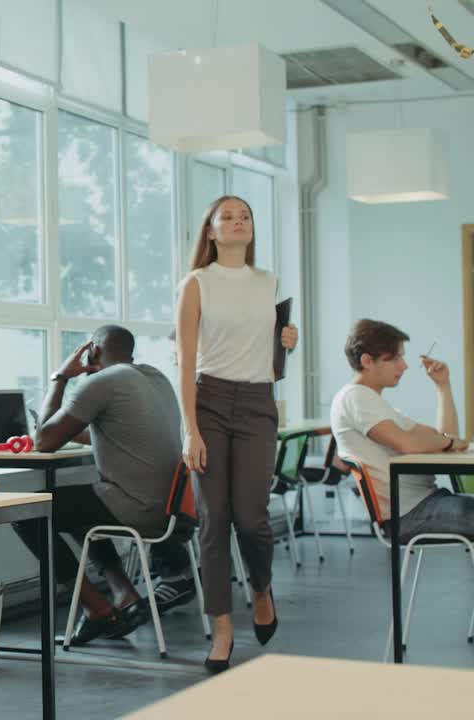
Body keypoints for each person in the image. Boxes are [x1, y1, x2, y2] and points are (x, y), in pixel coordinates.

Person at [176, 195, 298, 673]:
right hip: (208, 402)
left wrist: (288, 340)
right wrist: (190, 429)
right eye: (226, 216)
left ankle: (262, 587)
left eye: (245, 215)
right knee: (213, 520)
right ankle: (222, 627)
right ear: (210, 231)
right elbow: (186, 361)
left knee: (251, 518)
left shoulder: (268, 282)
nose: (237, 222)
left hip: (256, 403)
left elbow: (269, 350)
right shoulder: (197, 283)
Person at [14, 325, 185, 645]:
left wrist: (61, 377)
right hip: (172, 510)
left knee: (26, 511)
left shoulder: (103, 382)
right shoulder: (154, 377)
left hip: (138, 507)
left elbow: (43, 441)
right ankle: (126, 596)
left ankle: (97, 610)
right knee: (83, 510)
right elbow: (109, 431)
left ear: (91, 350)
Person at [331, 319, 474, 539]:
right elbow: (411, 443)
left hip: (427, 503)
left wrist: (442, 386)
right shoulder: (355, 397)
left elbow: (443, 440)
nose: (404, 365)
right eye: (395, 358)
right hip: (410, 514)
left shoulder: (378, 406)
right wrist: (447, 442)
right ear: (367, 361)